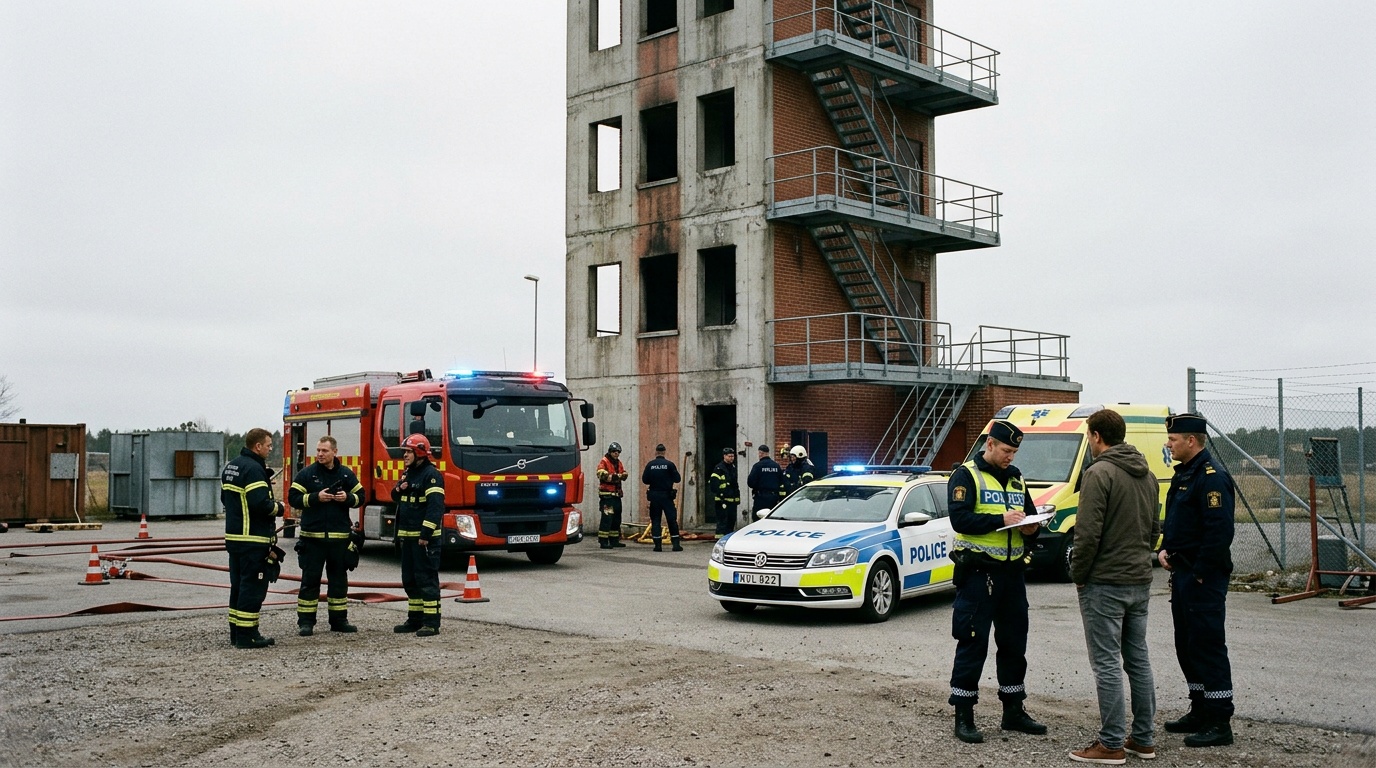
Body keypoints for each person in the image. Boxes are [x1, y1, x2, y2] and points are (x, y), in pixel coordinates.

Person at [1068, 409, 1161, 764]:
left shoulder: (1098, 473)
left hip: (1104, 583)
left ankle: (1110, 744)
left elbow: (1087, 533)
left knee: (1106, 663)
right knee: (1137, 659)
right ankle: (1143, 739)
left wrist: (1079, 573)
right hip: (1139, 580)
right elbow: (1154, 529)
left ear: (1095, 436)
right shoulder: (1148, 475)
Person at [946, 419, 1046, 744]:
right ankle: (964, 714)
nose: (1010, 457)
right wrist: (1000, 520)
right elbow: (960, 519)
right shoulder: (966, 475)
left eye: (1014, 452)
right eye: (1006, 450)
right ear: (990, 444)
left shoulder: (1016, 478)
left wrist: (1033, 528)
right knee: (973, 642)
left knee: (1015, 644)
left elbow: (1028, 514)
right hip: (978, 575)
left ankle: (1013, 710)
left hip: (1012, 575)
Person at [1158, 413, 1236, 748]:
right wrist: (1165, 549)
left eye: (1173, 440)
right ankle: (1200, 708)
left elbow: (1219, 533)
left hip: (1202, 576)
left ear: (1192, 441)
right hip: (1184, 572)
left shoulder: (1211, 477)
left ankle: (1219, 720)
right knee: (1187, 645)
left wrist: (1201, 572)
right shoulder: (1185, 474)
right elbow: (1176, 520)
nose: (1168, 443)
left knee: (1207, 646)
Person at [287, 435, 364, 637]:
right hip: (312, 539)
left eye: (324, 451)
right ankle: (306, 623)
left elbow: (361, 497)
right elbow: (293, 498)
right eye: (318, 450)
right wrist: (315, 497)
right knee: (310, 582)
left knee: (338, 582)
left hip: (339, 540)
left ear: (335, 452)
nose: (320, 454)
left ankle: (339, 621)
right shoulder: (307, 474)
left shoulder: (346, 475)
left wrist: (347, 498)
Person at [221, 428, 285, 649]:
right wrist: (280, 508)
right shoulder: (254, 469)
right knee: (253, 587)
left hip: (235, 538)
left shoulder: (232, 467)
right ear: (257, 446)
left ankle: (236, 633)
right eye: (268, 445)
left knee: (238, 586)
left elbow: (226, 499)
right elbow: (259, 504)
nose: (270, 448)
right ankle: (247, 636)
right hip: (253, 539)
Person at [392, 433, 445, 637]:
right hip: (408, 537)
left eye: (408, 452)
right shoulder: (408, 474)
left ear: (420, 453)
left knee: (426, 579)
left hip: (423, 540)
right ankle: (414, 620)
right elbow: (395, 496)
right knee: (410, 579)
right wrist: (399, 488)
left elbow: (435, 507)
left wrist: (426, 534)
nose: (404, 456)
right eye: (404, 452)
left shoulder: (431, 475)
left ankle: (431, 623)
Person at [641, 443, 682, 552]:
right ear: (664, 452)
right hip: (667, 496)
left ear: (656, 452)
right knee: (672, 520)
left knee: (655, 521)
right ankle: (676, 545)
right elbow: (677, 479)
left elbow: (645, 480)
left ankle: (657, 546)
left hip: (654, 496)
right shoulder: (669, 465)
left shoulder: (650, 465)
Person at [596, 442, 629, 549]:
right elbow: (602, 474)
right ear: (610, 452)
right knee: (607, 518)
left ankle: (614, 540)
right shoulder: (604, 461)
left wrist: (619, 476)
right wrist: (616, 477)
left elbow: (624, 474)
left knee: (616, 518)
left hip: (616, 496)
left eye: (618, 452)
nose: (616, 454)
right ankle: (603, 541)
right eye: (614, 452)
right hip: (607, 496)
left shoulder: (618, 462)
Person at [710, 447, 741, 538]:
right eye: (729, 456)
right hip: (722, 500)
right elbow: (714, 485)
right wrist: (721, 494)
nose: (731, 458)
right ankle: (719, 539)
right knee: (722, 521)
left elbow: (735, 485)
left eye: (732, 456)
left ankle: (728, 538)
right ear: (724, 456)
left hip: (732, 500)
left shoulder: (733, 467)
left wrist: (737, 498)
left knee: (731, 521)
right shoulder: (719, 468)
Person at [746, 443, 783, 517]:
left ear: (760, 453)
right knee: (772, 518)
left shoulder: (757, 466)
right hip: (774, 498)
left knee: (758, 518)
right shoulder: (776, 466)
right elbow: (782, 481)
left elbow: (750, 482)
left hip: (760, 498)